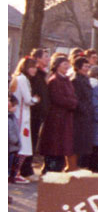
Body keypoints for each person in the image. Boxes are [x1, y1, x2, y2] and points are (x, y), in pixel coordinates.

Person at [38, 55, 78, 172]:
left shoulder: (66, 80)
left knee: (62, 144)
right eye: (64, 64)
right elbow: (57, 98)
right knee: (54, 144)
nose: (67, 66)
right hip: (56, 117)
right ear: (57, 66)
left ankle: (58, 166)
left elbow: (73, 96)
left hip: (65, 117)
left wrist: (73, 102)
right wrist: (71, 103)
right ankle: (50, 167)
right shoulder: (54, 80)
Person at [9, 57, 39, 183]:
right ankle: (15, 173)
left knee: (21, 146)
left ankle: (15, 172)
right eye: (32, 67)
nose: (34, 69)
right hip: (21, 117)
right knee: (23, 147)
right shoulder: (22, 79)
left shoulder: (19, 78)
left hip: (20, 115)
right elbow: (27, 99)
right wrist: (35, 100)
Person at [24, 48, 51, 179]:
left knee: (33, 141)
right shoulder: (35, 76)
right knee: (30, 141)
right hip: (33, 113)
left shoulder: (42, 75)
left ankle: (26, 168)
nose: (48, 59)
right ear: (38, 59)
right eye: (45, 56)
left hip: (39, 113)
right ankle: (26, 169)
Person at [70, 56, 95, 169]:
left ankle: (78, 165)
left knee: (83, 142)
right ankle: (73, 165)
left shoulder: (86, 79)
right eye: (85, 66)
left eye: (88, 66)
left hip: (86, 114)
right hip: (79, 116)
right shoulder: (76, 80)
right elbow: (77, 98)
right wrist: (84, 109)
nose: (87, 68)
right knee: (77, 141)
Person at [9, 94, 22, 186]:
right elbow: (10, 132)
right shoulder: (9, 118)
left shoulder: (12, 117)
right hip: (11, 147)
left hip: (13, 148)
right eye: (14, 106)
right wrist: (16, 141)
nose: (15, 109)